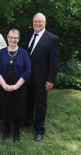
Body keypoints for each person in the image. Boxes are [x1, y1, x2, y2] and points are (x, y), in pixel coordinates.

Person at [23, 13, 59, 141]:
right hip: (28, 76)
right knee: (28, 100)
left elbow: (54, 62)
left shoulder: (52, 39)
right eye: (35, 22)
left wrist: (50, 79)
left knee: (40, 104)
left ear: (45, 23)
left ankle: (39, 129)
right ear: (32, 22)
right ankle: (28, 120)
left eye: (40, 22)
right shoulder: (28, 37)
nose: (37, 24)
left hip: (42, 78)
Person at [0, 29, 31, 143]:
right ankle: (6, 130)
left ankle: (16, 132)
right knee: (6, 107)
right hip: (3, 86)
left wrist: (17, 86)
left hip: (19, 86)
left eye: (15, 38)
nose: (12, 40)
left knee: (18, 108)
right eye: (10, 37)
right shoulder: (1, 52)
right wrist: (4, 85)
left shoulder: (24, 53)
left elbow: (28, 71)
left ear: (18, 39)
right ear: (7, 38)